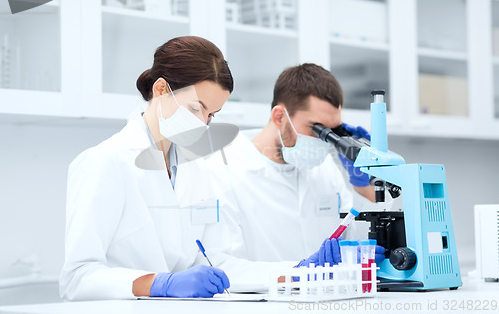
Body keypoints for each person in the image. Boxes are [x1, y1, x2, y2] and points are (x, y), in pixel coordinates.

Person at [59, 38, 343, 301]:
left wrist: (296, 270)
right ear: (160, 90)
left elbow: (211, 262)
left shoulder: (196, 166)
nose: (203, 123)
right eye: (196, 108)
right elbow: (77, 277)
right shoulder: (104, 162)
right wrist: (160, 284)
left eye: (211, 115)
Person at [204, 63, 385, 265]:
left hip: (328, 295)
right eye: (317, 129)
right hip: (266, 296)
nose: (324, 141)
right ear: (279, 117)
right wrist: (296, 272)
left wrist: (364, 186)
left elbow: (353, 238)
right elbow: (224, 265)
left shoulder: (325, 168)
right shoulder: (222, 170)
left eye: (332, 131)